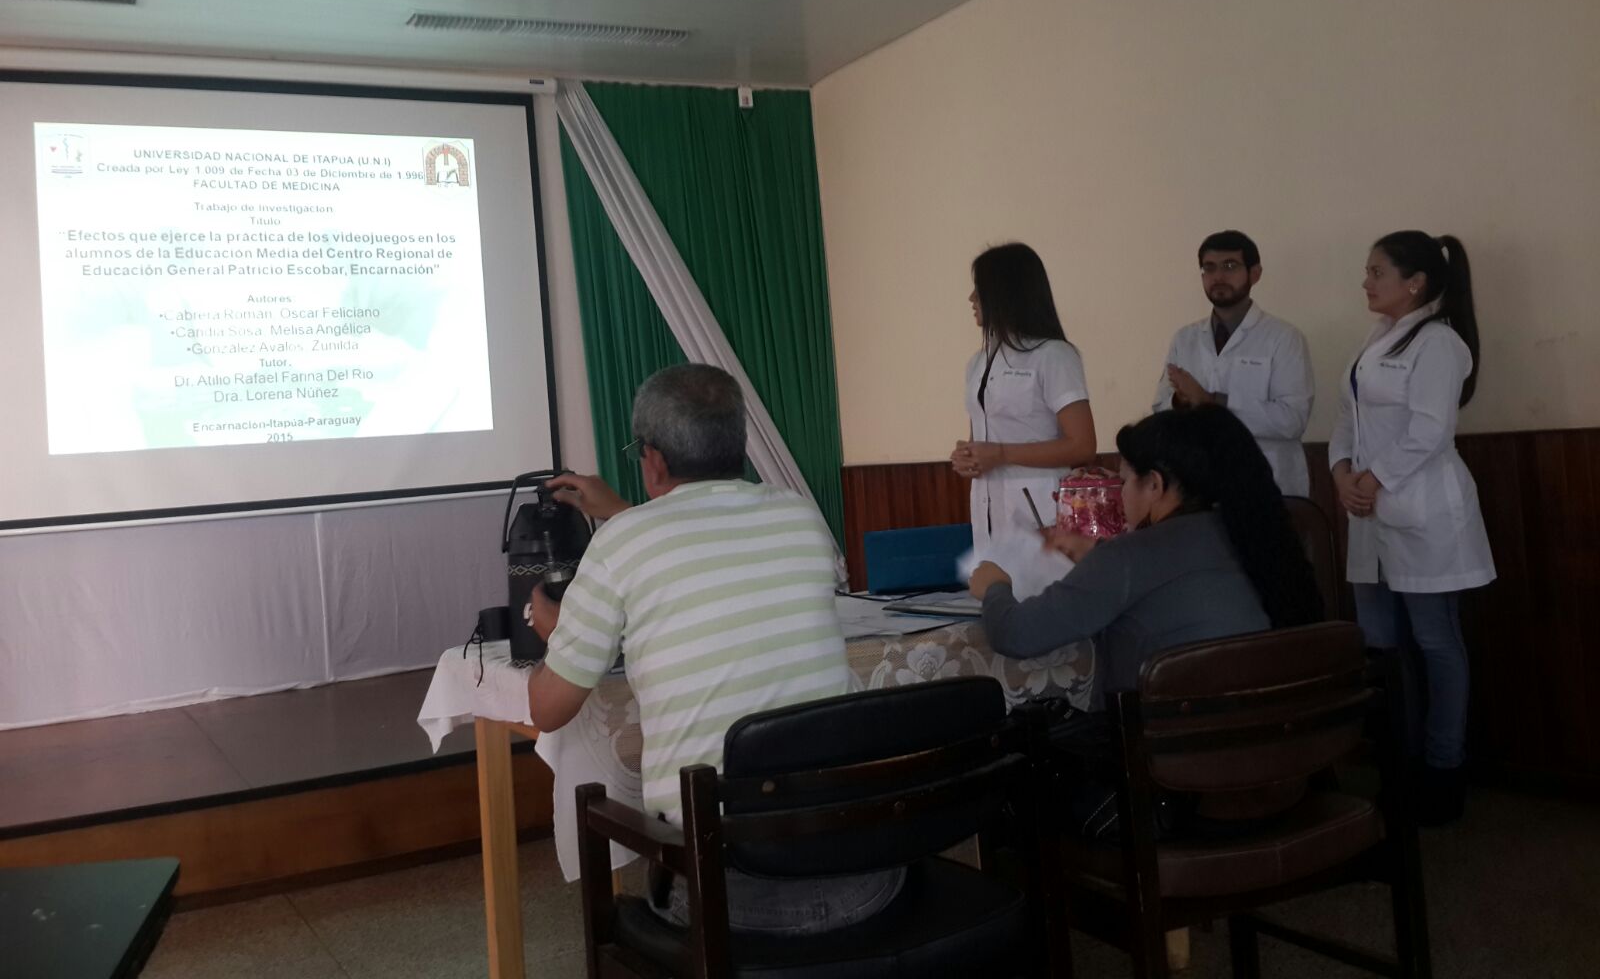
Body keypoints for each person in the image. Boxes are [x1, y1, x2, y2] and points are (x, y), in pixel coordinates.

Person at [525, 363, 903, 935]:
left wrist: (560, 634)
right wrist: (626, 512)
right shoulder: (799, 515)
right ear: (739, 442)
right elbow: (705, 551)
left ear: (653, 460)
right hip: (866, 868)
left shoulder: (621, 544)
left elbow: (548, 709)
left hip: (725, 892)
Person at [971, 405, 1323, 708]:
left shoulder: (1126, 558)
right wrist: (1095, 553)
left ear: (1154, 484)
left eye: (1125, 481)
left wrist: (994, 587)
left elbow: (1016, 634)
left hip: (1157, 752)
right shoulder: (1254, 537)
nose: (1121, 494)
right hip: (1266, 740)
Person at [1330, 232, 1494, 826]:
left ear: (1415, 282)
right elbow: (1346, 419)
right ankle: (1400, 762)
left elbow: (1430, 429)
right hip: (1369, 512)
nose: (1366, 282)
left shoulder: (1439, 342)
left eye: (1377, 271)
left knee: (1435, 641)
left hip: (1422, 511)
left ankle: (1444, 769)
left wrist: (1371, 480)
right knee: (1380, 643)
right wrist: (1341, 474)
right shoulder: (1376, 339)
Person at [952, 243, 1097, 549]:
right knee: (991, 578)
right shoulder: (977, 363)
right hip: (988, 515)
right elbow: (983, 439)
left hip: (1042, 516)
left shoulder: (1054, 356)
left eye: (980, 289)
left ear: (1005, 293)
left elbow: (1083, 445)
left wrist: (1001, 454)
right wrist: (968, 457)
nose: (971, 298)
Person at [1154, 229, 1315, 497]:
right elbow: (1160, 409)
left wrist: (1213, 401)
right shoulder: (1185, 338)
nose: (1218, 277)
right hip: (1199, 487)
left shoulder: (1284, 338)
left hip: (1268, 487)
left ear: (1255, 273)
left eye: (1230, 266)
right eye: (1209, 268)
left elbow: (1292, 419)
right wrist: (1181, 401)